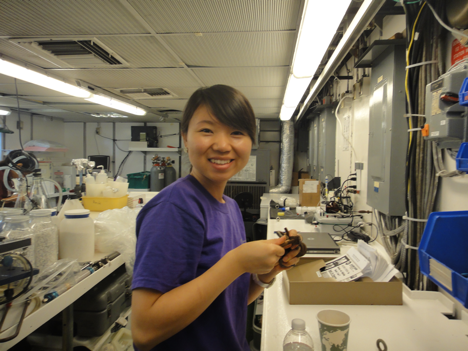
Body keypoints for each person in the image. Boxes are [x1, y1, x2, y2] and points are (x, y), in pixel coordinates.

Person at [131, 85, 302, 351]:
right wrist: (236, 262)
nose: (222, 145)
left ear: (250, 142)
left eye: (237, 132)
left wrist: (264, 276)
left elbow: (225, 299)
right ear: (185, 137)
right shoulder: (174, 209)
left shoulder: (230, 207)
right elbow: (144, 331)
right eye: (207, 130)